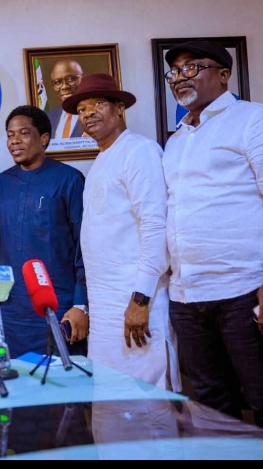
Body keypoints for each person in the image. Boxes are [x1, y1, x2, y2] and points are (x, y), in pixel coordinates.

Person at [162, 39, 263, 427]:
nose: (180, 78)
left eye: (191, 68)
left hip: (243, 290)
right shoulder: (175, 141)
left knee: (260, 394)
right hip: (186, 296)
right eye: (175, 71)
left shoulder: (251, 120)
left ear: (224, 75)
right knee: (211, 405)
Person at [62, 73, 181, 391]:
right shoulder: (102, 160)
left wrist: (140, 300)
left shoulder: (139, 151)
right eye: (82, 109)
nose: (88, 113)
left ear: (119, 108)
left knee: (148, 399)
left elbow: (155, 226)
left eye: (98, 104)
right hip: (105, 306)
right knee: (112, 397)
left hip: (137, 301)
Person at [0, 105, 88, 358]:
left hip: (59, 304)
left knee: (63, 377)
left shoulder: (69, 180)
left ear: (43, 138)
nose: (14, 141)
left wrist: (81, 303)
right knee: (15, 376)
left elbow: (84, 247)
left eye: (24, 133)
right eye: (10, 135)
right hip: (12, 310)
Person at [46, 59, 85, 140]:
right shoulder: (48, 117)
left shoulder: (95, 114)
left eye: (71, 79)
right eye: (57, 82)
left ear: (83, 79)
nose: (64, 86)